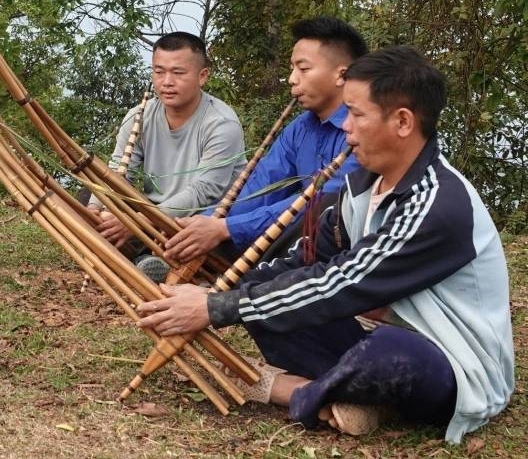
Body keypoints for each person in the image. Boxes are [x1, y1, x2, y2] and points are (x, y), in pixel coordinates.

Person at [137, 46, 513, 442]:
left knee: (392, 354)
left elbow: (344, 283)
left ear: (402, 121)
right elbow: (305, 262)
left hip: (448, 359)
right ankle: (355, 397)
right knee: (275, 300)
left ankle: (291, 391)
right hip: (365, 331)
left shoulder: (438, 203)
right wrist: (211, 294)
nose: (346, 127)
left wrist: (216, 309)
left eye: (357, 114)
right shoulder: (360, 189)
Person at [164, 16, 367, 265]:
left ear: (341, 75)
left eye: (303, 69)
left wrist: (228, 227)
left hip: (335, 244)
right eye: (292, 68)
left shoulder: (365, 128)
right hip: (292, 234)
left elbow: (323, 200)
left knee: (318, 211)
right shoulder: (300, 127)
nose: (292, 79)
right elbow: (260, 187)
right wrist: (210, 221)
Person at [92, 32, 246, 282]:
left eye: (178, 73)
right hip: (152, 216)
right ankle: (143, 259)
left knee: (200, 236)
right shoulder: (139, 115)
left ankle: (149, 262)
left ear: (202, 76)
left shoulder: (221, 123)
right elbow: (118, 173)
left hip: (201, 220)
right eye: (159, 72)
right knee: (87, 199)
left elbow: (202, 192)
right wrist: (96, 212)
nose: (166, 82)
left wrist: (136, 223)